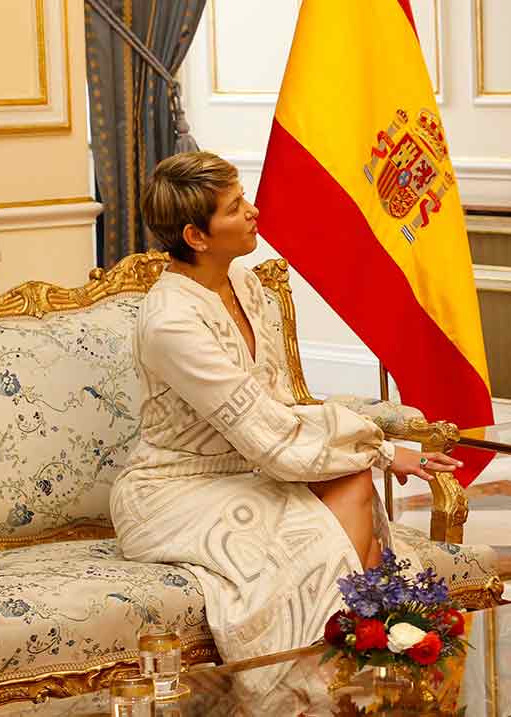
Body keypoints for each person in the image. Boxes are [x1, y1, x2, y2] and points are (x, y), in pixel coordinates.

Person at [110, 151, 460, 666]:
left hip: (244, 473)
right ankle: (326, 668)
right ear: (196, 237)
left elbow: (281, 405)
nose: (252, 211)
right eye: (234, 207)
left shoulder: (245, 284)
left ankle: (360, 657)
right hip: (171, 491)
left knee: (354, 483)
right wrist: (381, 450)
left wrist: (378, 452)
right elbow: (267, 432)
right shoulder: (172, 323)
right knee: (345, 496)